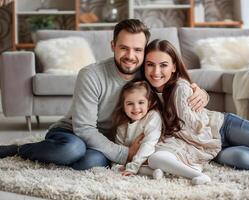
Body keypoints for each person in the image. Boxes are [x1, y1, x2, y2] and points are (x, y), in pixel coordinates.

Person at [0, 19, 208, 170]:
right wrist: (124, 154)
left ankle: (65, 156)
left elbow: (173, 85)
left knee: (90, 163)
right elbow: (84, 128)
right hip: (72, 133)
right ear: (112, 46)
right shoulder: (91, 75)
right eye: (124, 48)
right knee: (72, 151)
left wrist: (199, 92)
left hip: (109, 141)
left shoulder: (147, 73)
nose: (130, 56)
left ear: (144, 51)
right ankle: (20, 150)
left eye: (137, 50)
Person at [141, 39, 249, 185]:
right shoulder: (143, 95)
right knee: (243, 158)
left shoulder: (180, 88)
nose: (156, 71)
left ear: (174, 66)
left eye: (163, 65)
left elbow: (194, 129)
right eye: (150, 64)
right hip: (211, 147)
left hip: (223, 127)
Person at [110, 79, 164, 179]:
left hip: (152, 151)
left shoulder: (152, 116)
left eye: (141, 102)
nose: (136, 108)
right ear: (123, 106)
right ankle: (152, 172)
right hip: (135, 158)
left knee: (156, 157)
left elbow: (149, 144)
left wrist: (132, 167)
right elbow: (120, 149)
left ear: (149, 103)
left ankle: (156, 169)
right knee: (121, 166)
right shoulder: (121, 126)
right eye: (130, 103)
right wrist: (118, 164)